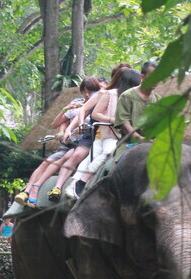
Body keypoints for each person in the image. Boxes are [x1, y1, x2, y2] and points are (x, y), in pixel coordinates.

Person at [13, 77, 102, 206]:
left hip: (81, 143)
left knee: (65, 158)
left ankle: (38, 187)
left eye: (91, 91)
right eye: (85, 91)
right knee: (46, 162)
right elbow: (57, 123)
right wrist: (66, 109)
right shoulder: (77, 103)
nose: (87, 95)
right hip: (68, 143)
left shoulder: (98, 104)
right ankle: (27, 190)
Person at [63, 66, 141, 198]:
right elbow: (94, 113)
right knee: (108, 153)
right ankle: (81, 182)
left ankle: (74, 185)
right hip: (108, 134)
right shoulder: (108, 94)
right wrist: (116, 120)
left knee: (92, 157)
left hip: (117, 135)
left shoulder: (133, 98)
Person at [114, 61, 158, 142]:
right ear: (142, 77)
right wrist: (138, 138)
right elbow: (124, 122)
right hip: (128, 142)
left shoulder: (158, 100)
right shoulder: (127, 96)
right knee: (121, 154)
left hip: (152, 142)